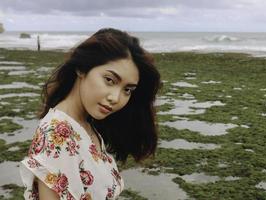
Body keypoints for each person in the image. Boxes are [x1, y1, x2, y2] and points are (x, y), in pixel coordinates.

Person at [19, 28, 161, 200]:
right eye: (109, 80)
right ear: (82, 69)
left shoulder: (85, 125)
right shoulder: (57, 133)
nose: (116, 98)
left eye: (127, 90)